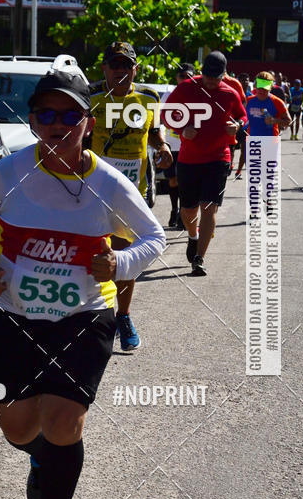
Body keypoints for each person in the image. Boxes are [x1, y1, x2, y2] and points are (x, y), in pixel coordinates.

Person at [0, 69, 165, 499]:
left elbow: (154, 237)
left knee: (64, 423)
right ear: (32, 122)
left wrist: (119, 264)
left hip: (83, 317)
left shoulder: (108, 184)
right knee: (19, 427)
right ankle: (38, 460)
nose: (57, 124)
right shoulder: (7, 174)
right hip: (10, 318)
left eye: (69, 114)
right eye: (46, 114)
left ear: (86, 124)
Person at [89, 41, 171, 350]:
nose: (121, 71)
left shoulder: (148, 97)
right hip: (92, 191)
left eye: (127, 65)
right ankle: (94, 317)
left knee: (123, 258)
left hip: (131, 193)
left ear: (135, 69)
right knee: (91, 256)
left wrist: (161, 147)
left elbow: (153, 131)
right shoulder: (91, 97)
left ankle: (122, 316)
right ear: (105, 69)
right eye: (115, 65)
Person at [166, 50, 246, 276]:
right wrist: (181, 129)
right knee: (188, 210)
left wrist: (238, 126)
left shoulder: (230, 93)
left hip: (219, 158)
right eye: (208, 75)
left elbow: (242, 115)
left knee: (209, 208)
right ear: (202, 72)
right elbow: (167, 114)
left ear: (224, 74)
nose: (211, 81)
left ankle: (199, 258)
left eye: (216, 77)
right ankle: (193, 236)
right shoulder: (186, 88)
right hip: (189, 159)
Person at [235, 72, 291, 176]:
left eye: (265, 88)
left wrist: (274, 120)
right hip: (253, 142)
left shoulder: (277, 102)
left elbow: (288, 121)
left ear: (270, 87)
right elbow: (240, 116)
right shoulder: (248, 101)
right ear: (255, 85)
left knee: (267, 177)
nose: (262, 91)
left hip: (270, 142)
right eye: (260, 87)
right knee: (254, 178)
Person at [162, 62, 195, 229]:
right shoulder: (168, 96)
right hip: (171, 145)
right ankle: (174, 209)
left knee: (185, 182)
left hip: (188, 147)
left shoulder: (197, 95)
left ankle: (183, 214)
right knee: (173, 180)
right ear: (177, 77)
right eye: (182, 76)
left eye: (189, 76)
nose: (185, 79)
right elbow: (160, 120)